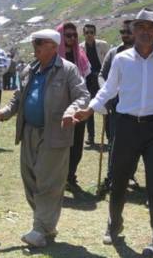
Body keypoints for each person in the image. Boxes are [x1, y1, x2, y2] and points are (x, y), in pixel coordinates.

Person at [73, 8, 153, 256]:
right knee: (119, 179)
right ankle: (114, 224)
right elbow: (108, 90)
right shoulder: (122, 59)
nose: (145, 32)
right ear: (134, 31)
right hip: (125, 126)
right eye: (141, 27)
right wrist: (90, 109)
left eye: (151, 28)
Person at [0, 29, 89, 247]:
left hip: (54, 133)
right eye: (34, 43)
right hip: (29, 132)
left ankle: (39, 230)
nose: (35, 47)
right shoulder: (29, 70)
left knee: (48, 182)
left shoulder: (68, 70)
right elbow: (18, 98)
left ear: (53, 46)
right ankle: (46, 225)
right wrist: (2, 113)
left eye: (39, 43)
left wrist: (71, 111)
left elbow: (83, 96)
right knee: (31, 180)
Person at [97, 21, 137, 195]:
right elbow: (101, 75)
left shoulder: (144, 53)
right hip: (116, 108)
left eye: (127, 32)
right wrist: (106, 92)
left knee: (135, 145)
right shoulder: (113, 53)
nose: (124, 35)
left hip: (137, 108)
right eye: (122, 31)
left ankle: (129, 175)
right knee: (115, 144)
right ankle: (111, 178)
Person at [56, 22, 90, 190]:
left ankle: (71, 175)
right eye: (68, 35)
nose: (72, 38)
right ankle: (59, 177)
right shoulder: (53, 56)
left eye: (74, 35)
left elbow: (88, 79)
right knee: (61, 144)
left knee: (77, 145)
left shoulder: (81, 56)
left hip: (78, 106)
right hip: (58, 107)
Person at [79, 23, 110, 146]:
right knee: (89, 108)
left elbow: (109, 62)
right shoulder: (80, 48)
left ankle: (109, 136)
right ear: (84, 34)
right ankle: (91, 137)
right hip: (88, 81)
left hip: (101, 80)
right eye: (87, 32)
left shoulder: (103, 45)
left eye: (91, 32)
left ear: (95, 34)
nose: (89, 35)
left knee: (106, 107)